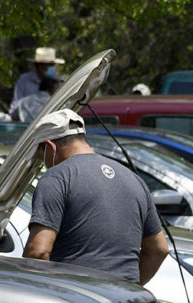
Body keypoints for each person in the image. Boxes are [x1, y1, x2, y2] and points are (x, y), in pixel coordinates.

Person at [23, 109, 169, 286]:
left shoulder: (56, 177)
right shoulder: (134, 179)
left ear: (50, 146)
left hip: (78, 301)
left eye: (41, 157)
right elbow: (159, 249)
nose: (44, 163)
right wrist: (130, 288)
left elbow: (37, 253)